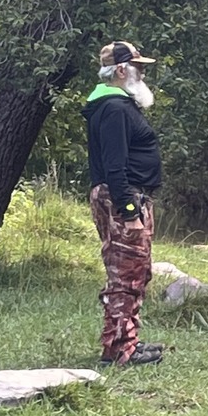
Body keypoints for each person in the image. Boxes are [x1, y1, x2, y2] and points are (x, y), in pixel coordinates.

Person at [84, 41, 166, 367]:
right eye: (138, 67)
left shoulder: (114, 105)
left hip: (129, 196)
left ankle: (127, 341)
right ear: (121, 69)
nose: (143, 72)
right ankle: (119, 349)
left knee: (135, 271)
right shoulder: (114, 109)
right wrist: (129, 211)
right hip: (124, 198)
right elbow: (114, 166)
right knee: (125, 274)